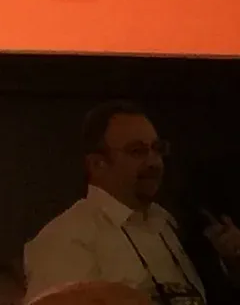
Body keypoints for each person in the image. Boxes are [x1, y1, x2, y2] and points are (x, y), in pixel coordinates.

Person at [23, 101, 219, 305]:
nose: (154, 162)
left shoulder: (164, 223)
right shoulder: (66, 238)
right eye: (137, 151)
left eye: (157, 148)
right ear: (97, 164)